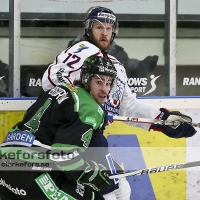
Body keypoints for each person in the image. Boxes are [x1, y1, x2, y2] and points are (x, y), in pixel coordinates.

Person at [41, 6, 197, 200]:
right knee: (108, 191)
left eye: (109, 28)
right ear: (88, 30)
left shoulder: (115, 66)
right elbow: (51, 80)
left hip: (92, 138)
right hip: (70, 137)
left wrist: (163, 120)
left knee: (121, 189)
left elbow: (128, 105)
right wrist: (86, 107)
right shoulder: (83, 50)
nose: (105, 32)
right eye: (99, 27)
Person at [0, 55, 117, 200]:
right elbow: (64, 156)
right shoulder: (90, 108)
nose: (104, 90)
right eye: (99, 82)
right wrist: (92, 174)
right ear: (86, 79)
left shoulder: (60, 89)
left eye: (108, 83)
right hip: (31, 173)